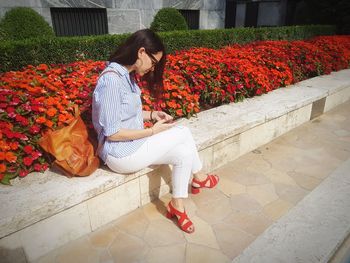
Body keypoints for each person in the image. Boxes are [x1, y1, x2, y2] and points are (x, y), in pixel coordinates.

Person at [92, 29, 219, 234]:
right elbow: (113, 133)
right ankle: (200, 176)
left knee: (183, 153)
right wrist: (153, 132)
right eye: (154, 62)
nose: (153, 68)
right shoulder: (112, 81)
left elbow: (127, 114)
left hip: (131, 146)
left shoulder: (126, 76)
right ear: (141, 52)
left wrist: (152, 115)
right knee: (182, 132)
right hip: (119, 153)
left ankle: (177, 206)